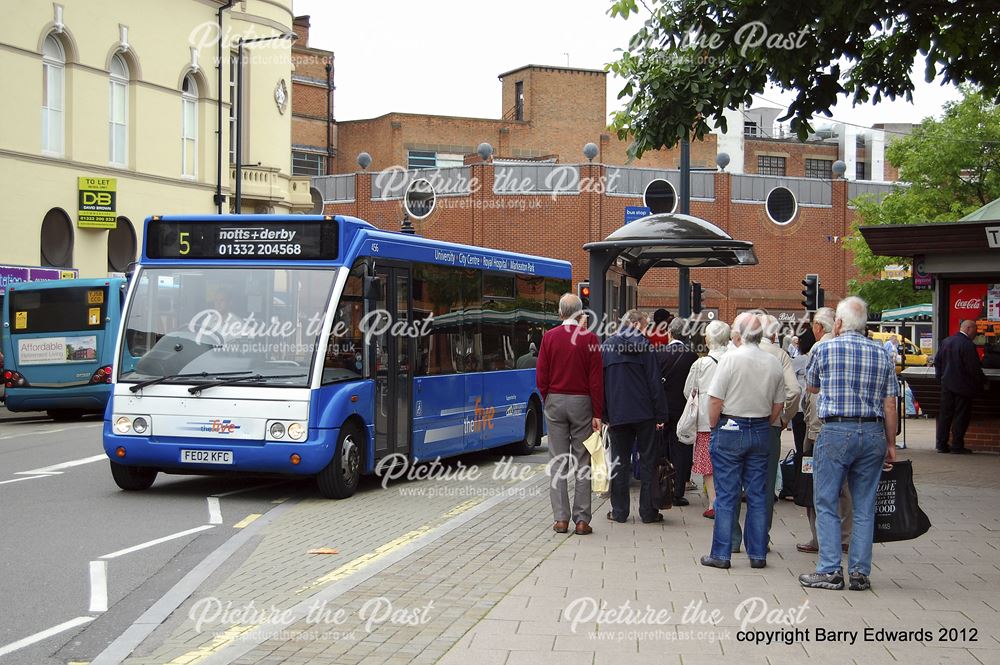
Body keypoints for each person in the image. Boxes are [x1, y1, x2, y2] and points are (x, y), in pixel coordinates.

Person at [799, 296, 898, 592]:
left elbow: (813, 386)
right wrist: (891, 444)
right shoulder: (882, 353)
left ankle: (830, 569)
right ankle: (859, 572)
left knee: (827, 500)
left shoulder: (825, 348)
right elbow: (890, 402)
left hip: (836, 430)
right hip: (873, 432)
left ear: (839, 323)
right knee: (864, 504)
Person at [700, 313, 785, 570]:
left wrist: (715, 425)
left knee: (727, 494)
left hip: (730, 425)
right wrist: (763, 422)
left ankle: (721, 553)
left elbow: (714, 399)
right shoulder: (773, 362)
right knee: (758, 494)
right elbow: (779, 403)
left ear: (738, 334)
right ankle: (758, 553)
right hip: (760, 427)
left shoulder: (729, 359)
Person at [536, 293, 604, 536]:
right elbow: (596, 380)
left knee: (558, 460)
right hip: (583, 403)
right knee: (582, 459)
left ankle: (561, 519)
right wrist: (598, 412)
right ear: (580, 313)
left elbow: (541, 375)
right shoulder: (590, 339)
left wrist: (548, 399)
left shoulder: (549, 337)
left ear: (560, 313)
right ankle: (582, 520)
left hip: (555, 399)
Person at [602, 309, 669, 524]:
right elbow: (654, 382)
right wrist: (661, 414)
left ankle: (619, 511)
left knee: (619, 462)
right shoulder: (646, 347)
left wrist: (604, 413)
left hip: (618, 413)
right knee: (648, 461)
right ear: (637, 324)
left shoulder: (607, 346)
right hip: (645, 413)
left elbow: (600, 383)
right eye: (646, 325)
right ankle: (648, 512)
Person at [796, 307, 852, 555]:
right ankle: (845, 536)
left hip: (820, 427)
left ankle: (819, 538)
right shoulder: (848, 346)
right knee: (847, 486)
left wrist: (811, 428)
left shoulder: (820, 349)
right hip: (847, 425)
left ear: (819, 327)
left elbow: (813, 391)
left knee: (817, 483)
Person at [683, 319, 729, 519]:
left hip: (705, 422)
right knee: (728, 463)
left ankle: (713, 502)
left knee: (707, 463)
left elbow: (688, 391)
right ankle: (727, 500)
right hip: (730, 419)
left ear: (708, 339)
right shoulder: (734, 359)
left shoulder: (700, 363)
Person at [656, 317, 699, 506]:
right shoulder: (692, 357)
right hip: (684, 409)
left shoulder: (660, 354)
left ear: (670, 333)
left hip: (663, 409)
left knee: (663, 447)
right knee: (682, 448)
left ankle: (663, 485)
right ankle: (679, 490)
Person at [935, 319, 988, 454]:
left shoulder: (946, 341)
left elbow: (937, 362)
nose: (976, 334)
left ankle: (941, 444)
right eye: (975, 330)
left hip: (947, 385)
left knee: (945, 415)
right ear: (969, 328)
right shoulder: (967, 345)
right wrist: (982, 382)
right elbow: (973, 368)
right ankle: (957, 445)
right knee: (960, 416)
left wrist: (941, 378)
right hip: (963, 387)